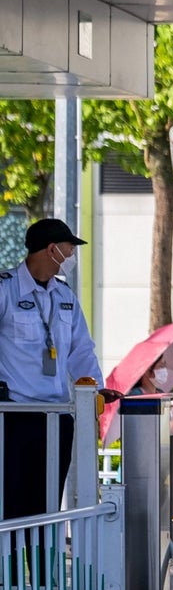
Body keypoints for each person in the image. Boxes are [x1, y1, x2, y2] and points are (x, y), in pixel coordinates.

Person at [0, 219, 108, 525]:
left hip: (58, 418)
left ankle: (45, 573)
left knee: (47, 508)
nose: (72, 254)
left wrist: (95, 392)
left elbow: (82, 350)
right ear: (52, 249)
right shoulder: (5, 289)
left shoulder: (64, 297)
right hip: (15, 416)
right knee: (11, 504)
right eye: (69, 248)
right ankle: (8, 573)